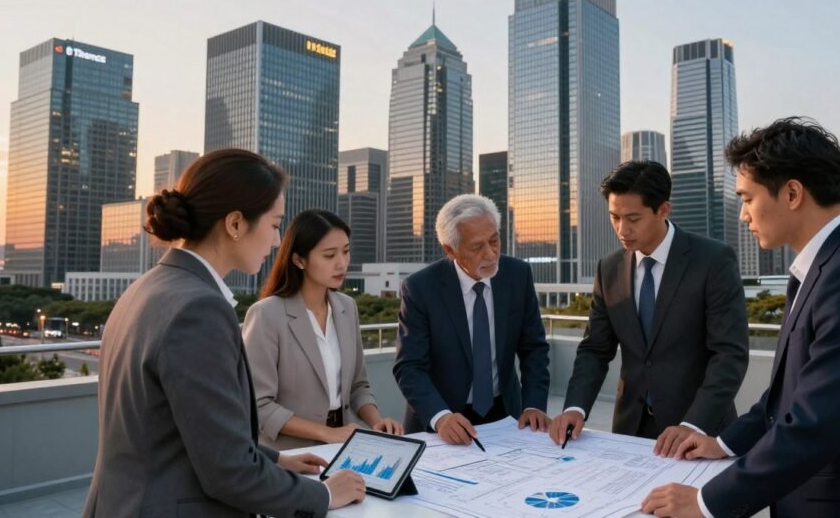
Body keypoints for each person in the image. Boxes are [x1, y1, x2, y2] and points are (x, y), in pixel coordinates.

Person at [643, 117, 840, 517]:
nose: (742, 216)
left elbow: (814, 423)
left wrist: (705, 502)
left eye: (747, 199)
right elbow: (790, 392)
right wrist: (725, 444)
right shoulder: (830, 264)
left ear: (791, 193)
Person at [82, 149, 365, 518]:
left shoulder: (149, 287)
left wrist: (276, 458)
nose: (278, 241)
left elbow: (187, 433)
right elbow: (228, 471)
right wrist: (325, 495)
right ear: (235, 224)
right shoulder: (198, 309)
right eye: (275, 224)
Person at [550, 160, 749, 456]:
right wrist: (575, 407)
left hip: (698, 432)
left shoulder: (713, 260)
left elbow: (730, 354)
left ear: (663, 210)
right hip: (631, 429)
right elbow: (595, 348)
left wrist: (693, 424)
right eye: (614, 217)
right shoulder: (609, 268)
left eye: (633, 218)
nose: (622, 229)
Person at [393, 194, 551, 445]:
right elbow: (409, 366)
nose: (491, 254)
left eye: (494, 240)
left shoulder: (518, 275)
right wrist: (441, 417)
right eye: (477, 247)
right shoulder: (421, 288)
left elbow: (534, 349)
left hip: (506, 416)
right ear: (450, 249)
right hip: (442, 421)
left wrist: (534, 405)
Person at [243, 209, 404, 450]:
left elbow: (358, 386)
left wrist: (377, 422)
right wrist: (328, 433)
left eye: (346, 251)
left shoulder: (347, 307)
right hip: (289, 454)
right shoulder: (266, 314)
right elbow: (259, 404)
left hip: (345, 445)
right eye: (329, 255)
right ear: (299, 260)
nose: (342, 263)